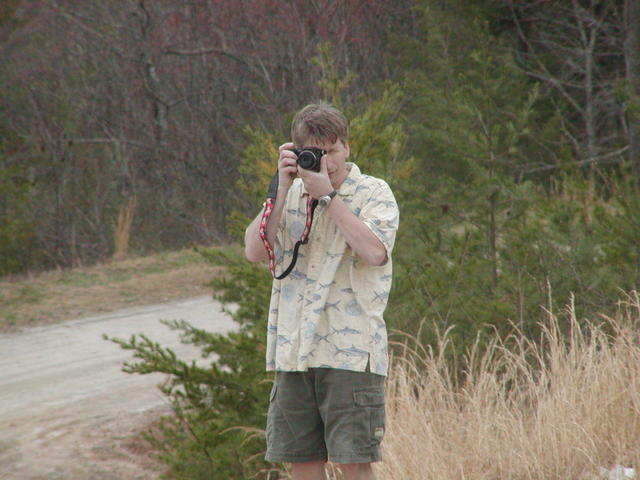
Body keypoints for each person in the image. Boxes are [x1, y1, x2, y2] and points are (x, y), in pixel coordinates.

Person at [244, 102, 399, 480]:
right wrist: (280, 190)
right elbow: (253, 251)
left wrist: (329, 198)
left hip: (350, 352)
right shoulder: (290, 194)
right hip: (294, 351)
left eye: (331, 151)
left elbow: (375, 252)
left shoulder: (373, 192)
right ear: (297, 153)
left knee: (354, 462)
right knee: (302, 463)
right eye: (315, 152)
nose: (325, 161)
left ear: (346, 147)